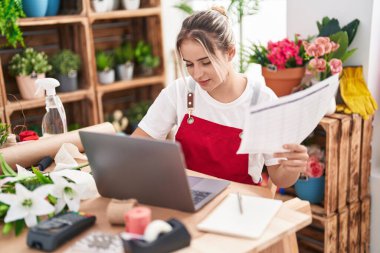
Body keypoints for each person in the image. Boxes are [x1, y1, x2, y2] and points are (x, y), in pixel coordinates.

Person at [132, 7, 308, 188]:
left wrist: (292, 167)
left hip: (240, 201)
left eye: (206, 62)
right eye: (189, 64)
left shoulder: (262, 101)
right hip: (189, 195)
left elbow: (280, 179)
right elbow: (136, 146)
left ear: (230, 52)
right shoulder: (180, 92)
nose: (197, 74)